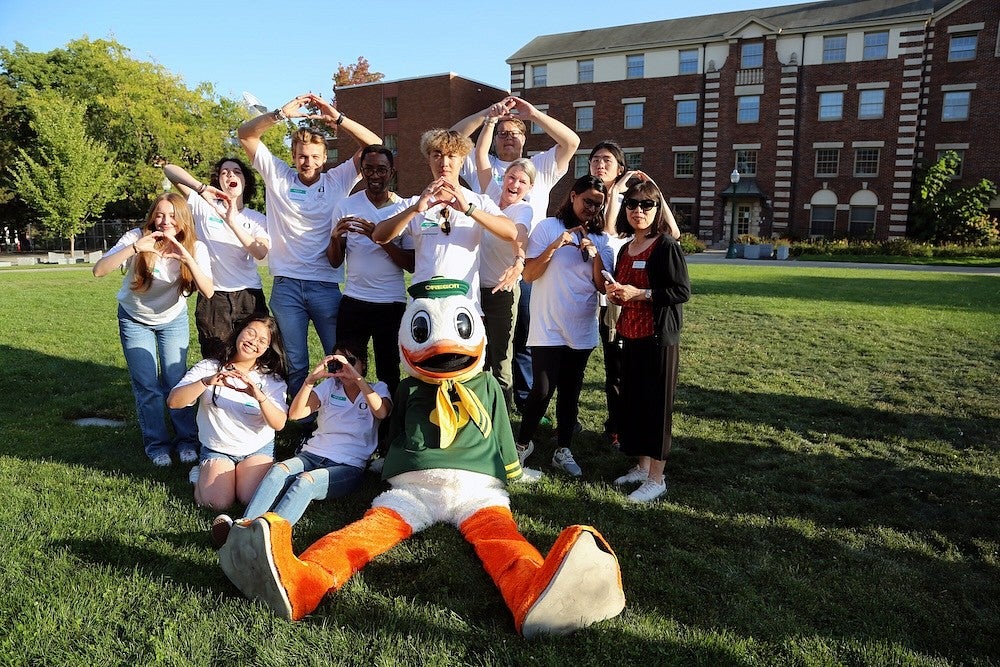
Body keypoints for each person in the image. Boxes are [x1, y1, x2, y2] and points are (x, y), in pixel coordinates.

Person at [237, 93, 380, 399]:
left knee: (338, 359)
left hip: (325, 286)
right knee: (297, 362)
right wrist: (279, 114)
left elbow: (375, 145)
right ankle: (303, 423)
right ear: (293, 155)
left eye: (315, 156)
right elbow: (245, 134)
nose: (308, 162)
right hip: (286, 286)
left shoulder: (337, 179)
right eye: (302, 155)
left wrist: (337, 118)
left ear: (324, 157)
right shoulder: (278, 175)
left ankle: (339, 418)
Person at [452, 96, 580, 411]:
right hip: (480, 273)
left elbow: (571, 141)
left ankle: (521, 401)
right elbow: (456, 140)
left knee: (521, 339)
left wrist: (534, 113)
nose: (510, 137)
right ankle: (482, 400)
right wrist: (490, 115)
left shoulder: (539, 167)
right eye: (504, 133)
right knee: (485, 341)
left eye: (516, 133)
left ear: (525, 138)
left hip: (526, 270)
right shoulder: (492, 182)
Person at [213, 341, 391, 542]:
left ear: (363, 365)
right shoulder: (330, 387)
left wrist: (357, 378)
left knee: (304, 483)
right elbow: (296, 414)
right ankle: (244, 526)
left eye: (350, 361)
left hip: (347, 464)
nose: (344, 367)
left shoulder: (377, 388)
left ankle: (269, 537)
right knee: (278, 471)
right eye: (339, 362)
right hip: (312, 454)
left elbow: (381, 412)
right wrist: (310, 380)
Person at [93, 193, 214, 466]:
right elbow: (99, 270)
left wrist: (186, 259)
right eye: (159, 215)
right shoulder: (136, 237)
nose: (165, 221)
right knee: (147, 386)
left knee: (176, 380)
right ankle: (157, 445)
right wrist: (136, 248)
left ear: (183, 220)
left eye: (172, 216)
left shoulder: (195, 247)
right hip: (134, 319)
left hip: (172, 320)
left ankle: (186, 441)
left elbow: (208, 290)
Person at [514, 176, 613, 478]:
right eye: (588, 202)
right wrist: (557, 246)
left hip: (581, 326)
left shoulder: (602, 240)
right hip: (547, 325)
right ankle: (521, 445)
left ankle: (563, 449)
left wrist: (595, 257)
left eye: (598, 204)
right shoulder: (548, 228)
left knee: (571, 391)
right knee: (541, 388)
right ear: (573, 196)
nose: (592, 209)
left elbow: (602, 286)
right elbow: (529, 275)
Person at [588, 141, 681, 447]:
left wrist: (645, 190)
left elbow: (671, 233)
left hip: (644, 316)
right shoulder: (589, 195)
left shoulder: (636, 201)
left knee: (628, 374)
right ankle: (625, 432)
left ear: (620, 168)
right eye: (595, 159)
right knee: (621, 373)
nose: (600, 164)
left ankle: (621, 431)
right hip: (607, 299)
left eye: (607, 160)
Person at [605, 180, 690, 503]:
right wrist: (617, 292)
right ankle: (642, 466)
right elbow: (624, 286)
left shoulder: (665, 245)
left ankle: (658, 478)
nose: (638, 210)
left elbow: (681, 291)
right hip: (631, 335)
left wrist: (640, 293)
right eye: (631, 205)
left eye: (646, 205)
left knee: (656, 409)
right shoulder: (627, 248)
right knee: (635, 405)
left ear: (657, 210)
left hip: (658, 339)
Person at [372, 129, 515, 308]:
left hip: (465, 304)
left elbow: (511, 232)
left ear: (462, 160)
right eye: (437, 155)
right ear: (429, 160)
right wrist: (415, 210)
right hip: (423, 304)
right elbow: (379, 235)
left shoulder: (478, 201)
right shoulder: (415, 203)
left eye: (451, 156)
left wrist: (469, 210)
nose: (444, 163)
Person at [167, 316, 289, 509]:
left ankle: (240, 475)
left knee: (251, 498)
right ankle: (199, 474)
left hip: (256, 449)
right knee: (217, 504)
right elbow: (174, 402)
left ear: (267, 349)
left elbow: (279, 423)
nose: (253, 342)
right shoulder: (209, 367)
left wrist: (260, 396)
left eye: (262, 341)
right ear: (239, 332)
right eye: (250, 333)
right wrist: (206, 382)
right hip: (217, 448)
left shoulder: (271, 379)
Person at [160, 157, 271, 359]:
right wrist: (201, 188)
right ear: (218, 181)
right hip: (214, 297)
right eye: (224, 172)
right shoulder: (204, 206)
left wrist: (232, 221)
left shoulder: (256, 219)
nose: (230, 174)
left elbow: (260, 252)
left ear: (245, 181)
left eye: (236, 171)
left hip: (249, 295)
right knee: (216, 355)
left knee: (255, 356)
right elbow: (169, 170)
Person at [326, 144, 413, 401]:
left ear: (391, 172)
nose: (375, 175)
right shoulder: (346, 206)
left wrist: (380, 237)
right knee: (347, 365)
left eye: (381, 170)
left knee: (388, 369)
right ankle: (348, 420)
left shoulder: (403, 209)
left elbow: (411, 263)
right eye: (369, 170)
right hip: (354, 300)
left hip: (391, 302)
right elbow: (334, 262)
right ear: (362, 171)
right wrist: (334, 238)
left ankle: (386, 429)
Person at [472, 121, 537, 409]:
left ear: (528, 188)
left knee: (501, 355)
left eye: (522, 181)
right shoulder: (486, 198)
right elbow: (481, 154)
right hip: (473, 291)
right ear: (503, 177)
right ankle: (476, 405)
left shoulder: (523, 208)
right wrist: (489, 121)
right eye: (511, 177)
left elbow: (519, 234)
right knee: (475, 351)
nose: (514, 184)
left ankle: (504, 412)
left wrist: (519, 261)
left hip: (502, 290)